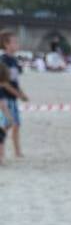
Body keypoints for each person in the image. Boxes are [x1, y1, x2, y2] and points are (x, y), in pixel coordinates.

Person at [0, 31, 28, 159]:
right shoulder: (3, 60)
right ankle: (2, 152)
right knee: (7, 124)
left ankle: (17, 151)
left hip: (13, 97)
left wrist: (21, 93)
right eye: (14, 42)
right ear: (6, 44)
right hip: (5, 97)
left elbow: (15, 81)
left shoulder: (14, 61)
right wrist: (19, 94)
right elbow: (4, 83)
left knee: (16, 124)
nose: (17, 44)